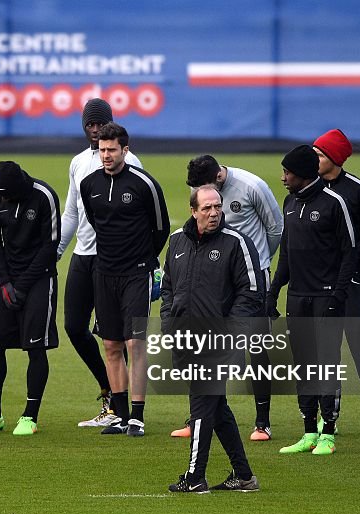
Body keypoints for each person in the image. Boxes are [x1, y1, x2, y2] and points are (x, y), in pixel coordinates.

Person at [171, 154, 283, 441]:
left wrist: (260, 263)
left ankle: (263, 422)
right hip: (214, 280)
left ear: (218, 180)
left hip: (250, 281)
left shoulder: (251, 186)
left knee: (257, 349)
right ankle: (197, 416)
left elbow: (275, 227)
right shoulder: (202, 192)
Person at [163, 185, 263, 493]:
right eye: (206, 208)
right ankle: (244, 476)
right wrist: (169, 325)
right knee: (216, 407)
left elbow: (251, 292)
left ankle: (195, 477)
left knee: (201, 405)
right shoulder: (177, 241)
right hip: (185, 339)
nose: (214, 212)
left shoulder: (236, 243)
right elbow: (168, 288)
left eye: (217, 206)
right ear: (193, 210)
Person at [57, 98, 143, 428]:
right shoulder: (78, 162)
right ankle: (109, 390)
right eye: (89, 125)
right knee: (74, 327)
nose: (94, 130)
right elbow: (72, 213)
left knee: (118, 337)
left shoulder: (129, 160)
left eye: (99, 124)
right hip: (84, 255)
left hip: (118, 261)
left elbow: (148, 216)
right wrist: (58, 251)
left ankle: (123, 407)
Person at [80, 122, 170, 436]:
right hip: (103, 272)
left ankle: (137, 416)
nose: (106, 155)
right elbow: (95, 222)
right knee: (110, 344)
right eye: (102, 150)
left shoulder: (144, 184)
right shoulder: (89, 184)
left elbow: (161, 228)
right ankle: (119, 416)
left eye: (111, 149)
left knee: (136, 343)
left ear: (125, 150)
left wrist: (143, 260)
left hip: (136, 272)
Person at [268, 145, 357, 456]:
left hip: (326, 297)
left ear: (303, 174)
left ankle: (328, 433)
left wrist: (338, 294)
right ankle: (308, 430)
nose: (283, 177)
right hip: (299, 298)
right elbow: (288, 253)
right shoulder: (290, 202)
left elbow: (350, 254)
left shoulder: (334, 203)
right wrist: (275, 288)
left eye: (287, 172)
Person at [0, 161, 60, 435]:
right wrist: (5, 281)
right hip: (7, 277)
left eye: (9, 195)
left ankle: (30, 416)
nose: (4, 199)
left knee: (35, 348)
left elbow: (50, 246)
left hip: (39, 278)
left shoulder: (44, 196)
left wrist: (21, 284)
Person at [312, 129, 360, 437]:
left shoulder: (358, 190)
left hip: (354, 279)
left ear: (334, 158)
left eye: (319, 155)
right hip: (320, 282)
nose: (314, 159)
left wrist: (351, 253)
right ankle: (328, 415)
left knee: (358, 343)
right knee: (326, 350)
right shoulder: (310, 189)